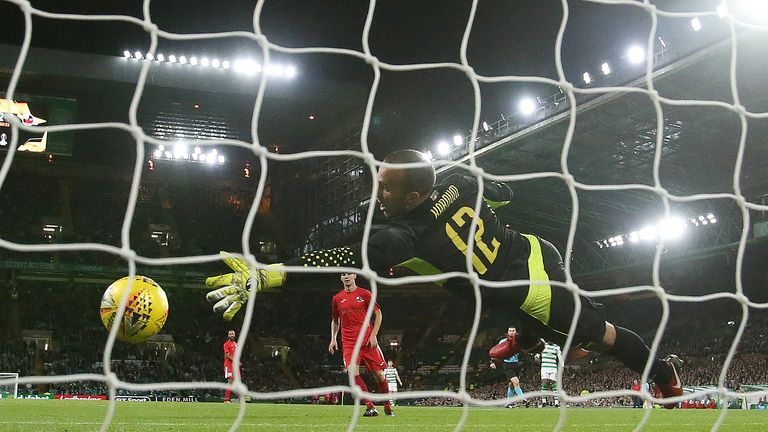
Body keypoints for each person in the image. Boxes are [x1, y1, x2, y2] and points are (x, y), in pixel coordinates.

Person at [205, 149, 684, 409]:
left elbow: (341, 257)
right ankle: (527, 338)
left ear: (414, 195)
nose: (379, 193)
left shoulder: (405, 238)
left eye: (387, 188)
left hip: (535, 289)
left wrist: (274, 275)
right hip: (535, 249)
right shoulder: (459, 181)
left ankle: (666, 381)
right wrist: (475, 180)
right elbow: (502, 194)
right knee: (543, 328)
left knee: (600, 338)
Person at [328, 273, 393, 417]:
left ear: (354, 276)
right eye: (343, 275)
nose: (346, 277)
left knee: (379, 375)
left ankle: (387, 405)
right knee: (352, 374)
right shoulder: (337, 298)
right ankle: (370, 407)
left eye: (348, 274)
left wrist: (374, 334)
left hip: (366, 340)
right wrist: (333, 338)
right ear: (340, 278)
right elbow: (335, 320)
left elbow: (378, 314)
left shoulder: (364, 293)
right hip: (349, 342)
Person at [489, 326, 525, 407]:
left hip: (516, 364)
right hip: (507, 364)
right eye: (510, 331)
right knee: (516, 382)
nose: (511, 332)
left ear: (516, 332)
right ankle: (524, 400)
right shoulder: (503, 342)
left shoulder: (518, 342)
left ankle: (509, 403)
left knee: (511, 385)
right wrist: (492, 362)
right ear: (508, 332)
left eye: (513, 331)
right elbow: (496, 352)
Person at [535, 342, 561, 407]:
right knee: (544, 383)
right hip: (544, 368)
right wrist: (536, 358)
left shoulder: (556, 347)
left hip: (553, 368)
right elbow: (537, 355)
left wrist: (562, 365)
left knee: (554, 384)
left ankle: (556, 403)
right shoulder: (543, 345)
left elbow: (560, 357)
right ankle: (544, 402)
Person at [223, 329, 237, 403]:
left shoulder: (236, 344)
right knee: (230, 382)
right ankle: (226, 399)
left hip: (234, 366)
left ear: (235, 335)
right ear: (228, 335)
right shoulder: (226, 344)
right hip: (228, 366)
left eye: (233, 334)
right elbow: (227, 355)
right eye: (230, 334)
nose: (232, 335)